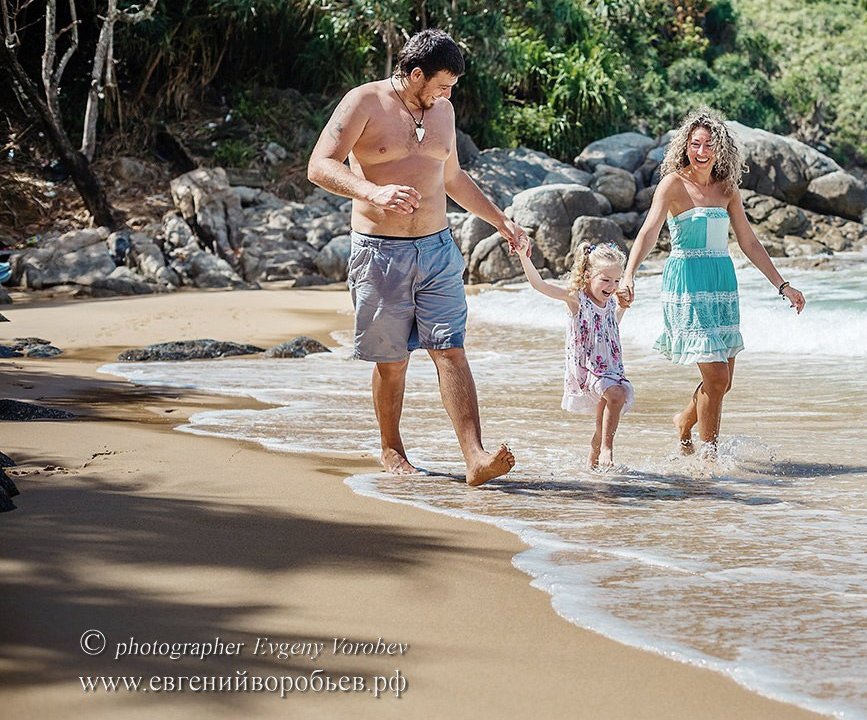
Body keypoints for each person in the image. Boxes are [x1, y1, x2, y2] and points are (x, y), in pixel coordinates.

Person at [307, 28, 526, 486]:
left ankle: (476, 457)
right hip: (380, 253)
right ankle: (392, 448)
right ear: (415, 74)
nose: (448, 95)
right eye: (442, 85)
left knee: (451, 349)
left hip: (438, 249)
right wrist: (372, 189)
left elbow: (453, 178)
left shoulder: (442, 110)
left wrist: (500, 220)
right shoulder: (363, 102)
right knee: (392, 363)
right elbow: (320, 165)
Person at [619, 109, 805, 460]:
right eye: (695, 144)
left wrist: (783, 286)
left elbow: (750, 243)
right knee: (717, 379)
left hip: (721, 286)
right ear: (685, 147)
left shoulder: (727, 189)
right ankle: (709, 459)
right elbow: (648, 232)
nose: (701, 152)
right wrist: (629, 275)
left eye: (708, 145)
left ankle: (683, 421)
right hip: (687, 285)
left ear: (721, 149)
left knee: (722, 383)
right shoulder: (673, 184)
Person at [515, 237, 633, 469]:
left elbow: (609, 327)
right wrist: (523, 256)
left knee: (604, 417)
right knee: (617, 395)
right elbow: (540, 285)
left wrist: (623, 308)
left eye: (617, 280)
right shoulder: (576, 299)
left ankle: (593, 465)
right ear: (588, 276)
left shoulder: (610, 301)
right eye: (606, 280)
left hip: (611, 365)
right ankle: (608, 449)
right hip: (588, 368)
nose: (612, 286)